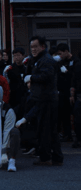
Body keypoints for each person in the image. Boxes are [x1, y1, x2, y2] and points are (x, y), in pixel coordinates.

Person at [20, 36, 63, 166]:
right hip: (43, 98)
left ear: (43, 47)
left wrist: (31, 78)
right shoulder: (38, 59)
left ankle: (46, 158)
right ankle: (56, 157)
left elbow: (47, 76)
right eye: (31, 47)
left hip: (47, 100)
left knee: (45, 130)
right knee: (50, 130)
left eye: (36, 47)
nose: (33, 49)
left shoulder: (46, 60)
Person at [54, 43, 79, 142]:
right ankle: (67, 134)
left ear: (66, 51)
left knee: (75, 114)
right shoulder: (61, 62)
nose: (60, 56)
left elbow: (75, 77)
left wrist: (67, 72)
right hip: (63, 92)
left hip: (73, 92)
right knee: (64, 114)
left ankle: (76, 136)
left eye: (61, 53)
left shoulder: (75, 61)